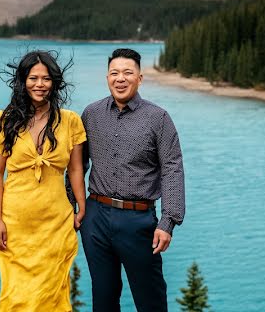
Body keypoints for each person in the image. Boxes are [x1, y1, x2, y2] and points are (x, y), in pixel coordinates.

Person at [77, 48, 185, 312]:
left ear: (140, 78)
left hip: (139, 223)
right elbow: (78, 164)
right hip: (96, 219)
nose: (120, 78)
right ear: (107, 78)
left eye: (128, 73)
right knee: (103, 299)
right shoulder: (91, 114)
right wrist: (75, 206)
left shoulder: (158, 118)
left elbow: (172, 168)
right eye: (115, 73)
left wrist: (168, 221)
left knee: (150, 302)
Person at [0, 50, 87, 312]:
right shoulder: (6, 120)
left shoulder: (70, 121)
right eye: (33, 78)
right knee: (16, 294)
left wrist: (81, 205)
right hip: (15, 224)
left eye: (46, 79)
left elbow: (76, 170)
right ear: (23, 81)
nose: (40, 84)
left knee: (52, 292)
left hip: (56, 222)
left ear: (54, 82)